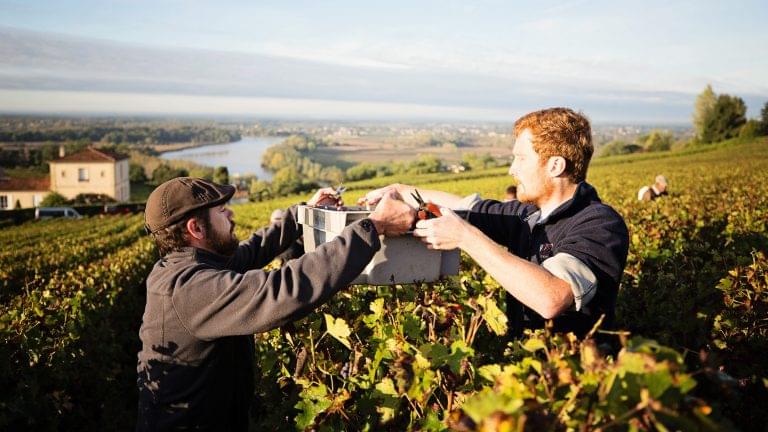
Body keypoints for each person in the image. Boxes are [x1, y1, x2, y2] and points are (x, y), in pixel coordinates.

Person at [137, 177, 414, 431]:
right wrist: (372, 226)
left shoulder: (187, 267)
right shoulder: (190, 289)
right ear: (195, 228)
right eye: (222, 211)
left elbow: (250, 253)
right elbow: (283, 289)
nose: (231, 213)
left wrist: (302, 213)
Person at [361, 108, 629, 338]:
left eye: (521, 158)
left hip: (574, 381)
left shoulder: (599, 224)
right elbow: (464, 205)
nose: (512, 169)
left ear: (555, 165)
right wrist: (398, 189)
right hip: (525, 370)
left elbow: (552, 298)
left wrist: (467, 238)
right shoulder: (526, 215)